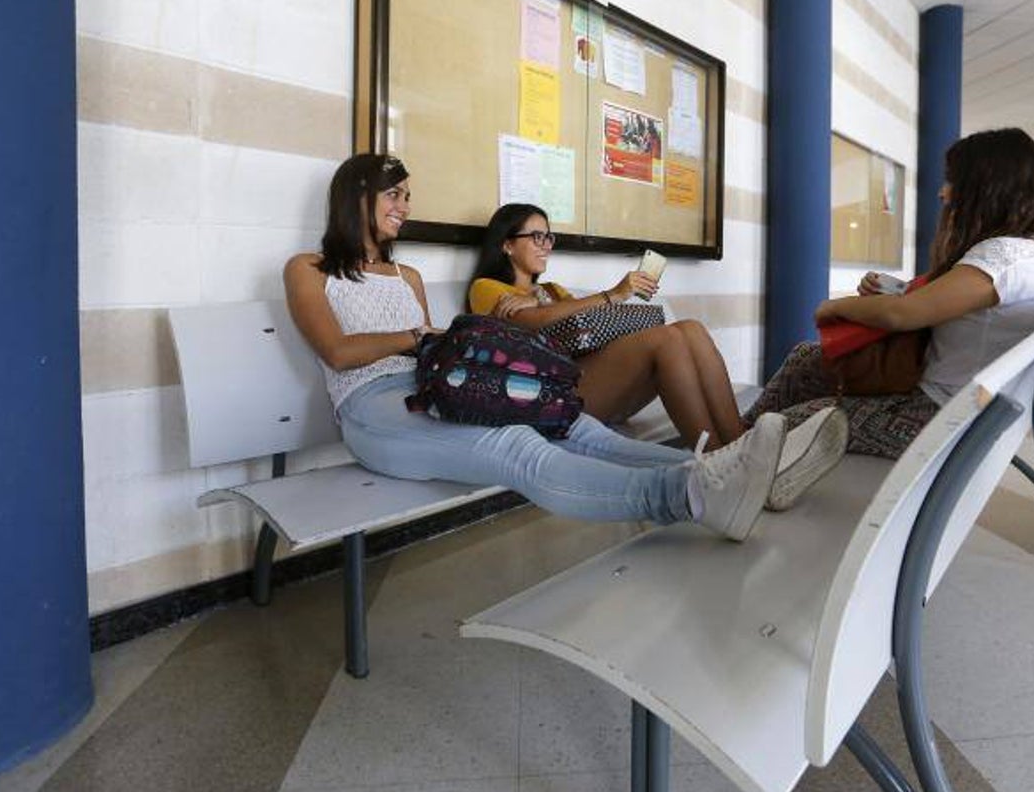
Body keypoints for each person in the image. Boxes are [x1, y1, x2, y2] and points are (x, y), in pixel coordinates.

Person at [283, 155, 847, 545]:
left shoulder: (405, 273)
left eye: (407, 196)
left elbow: (435, 349)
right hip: (371, 407)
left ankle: (739, 472)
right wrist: (418, 338)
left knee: (578, 428)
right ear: (357, 194)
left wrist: (440, 342)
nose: (404, 205)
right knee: (516, 446)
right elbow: (336, 351)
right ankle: (693, 493)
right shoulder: (307, 269)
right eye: (394, 194)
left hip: (428, 385)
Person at [741, 127, 1034, 460]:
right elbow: (930, 305)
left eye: (952, 181)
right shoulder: (1032, 254)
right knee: (805, 359)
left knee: (783, 424)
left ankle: (727, 456)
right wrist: (897, 292)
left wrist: (833, 307)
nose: (944, 193)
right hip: (953, 406)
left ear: (985, 188)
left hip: (937, 415)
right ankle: (728, 448)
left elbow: (900, 315)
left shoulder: (1006, 256)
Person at [468, 203, 748, 452]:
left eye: (549, 237)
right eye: (536, 237)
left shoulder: (553, 291)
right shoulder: (486, 288)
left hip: (592, 380)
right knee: (667, 340)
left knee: (690, 329)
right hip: (552, 396)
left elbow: (585, 330)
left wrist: (538, 296)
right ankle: (716, 462)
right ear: (507, 245)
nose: (546, 245)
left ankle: (743, 447)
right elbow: (532, 323)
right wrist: (612, 294)